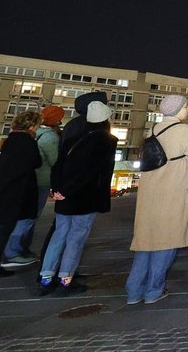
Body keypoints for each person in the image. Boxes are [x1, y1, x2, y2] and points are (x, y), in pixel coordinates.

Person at [126, 95, 188, 304]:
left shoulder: (153, 129)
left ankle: (133, 291)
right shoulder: (185, 131)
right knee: (168, 240)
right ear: (178, 109)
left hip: (151, 191)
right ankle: (154, 290)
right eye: (186, 107)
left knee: (146, 241)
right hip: (174, 189)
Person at [38, 101, 117, 296]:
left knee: (59, 235)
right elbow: (90, 171)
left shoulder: (72, 137)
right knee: (76, 238)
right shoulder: (105, 140)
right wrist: (68, 190)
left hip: (64, 197)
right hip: (85, 197)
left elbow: (58, 166)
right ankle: (66, 280)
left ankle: (46, 278)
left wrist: (58, 189)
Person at [0, 110, 43, 279]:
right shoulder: (27, 141)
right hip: (14, 191)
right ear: (32, 125)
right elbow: (36, 162)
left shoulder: (10, 139)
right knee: (2, 230)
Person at [2, 105, 63, 267]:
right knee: (28, 218)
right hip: (40, 182)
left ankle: (21, 249)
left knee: (25, 217)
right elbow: (55, 162)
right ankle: (13, 252)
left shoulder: (32, 135)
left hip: (24, 181)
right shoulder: (49, 138)